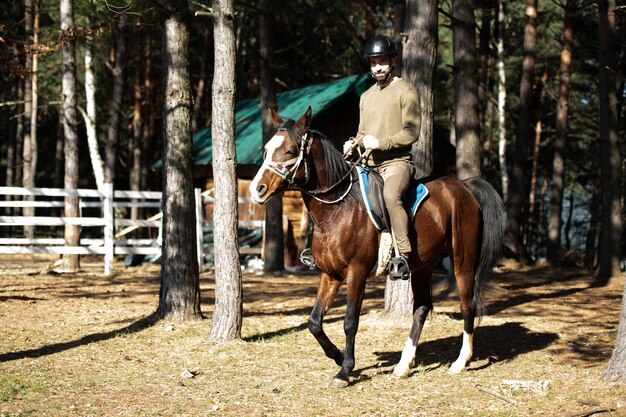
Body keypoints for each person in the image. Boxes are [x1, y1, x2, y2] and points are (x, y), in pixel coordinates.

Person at [344, 35, 421, 280]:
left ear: (393, 61)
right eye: (373, 62)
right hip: (367, 164)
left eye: (382, 62)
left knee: (391, 195)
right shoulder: (366, 96)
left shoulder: (406, 91)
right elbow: (363, 132)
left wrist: (381, 143)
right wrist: (353, 143)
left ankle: (404, 256)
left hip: (396, 163)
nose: (377, 67)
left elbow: (412, 133)